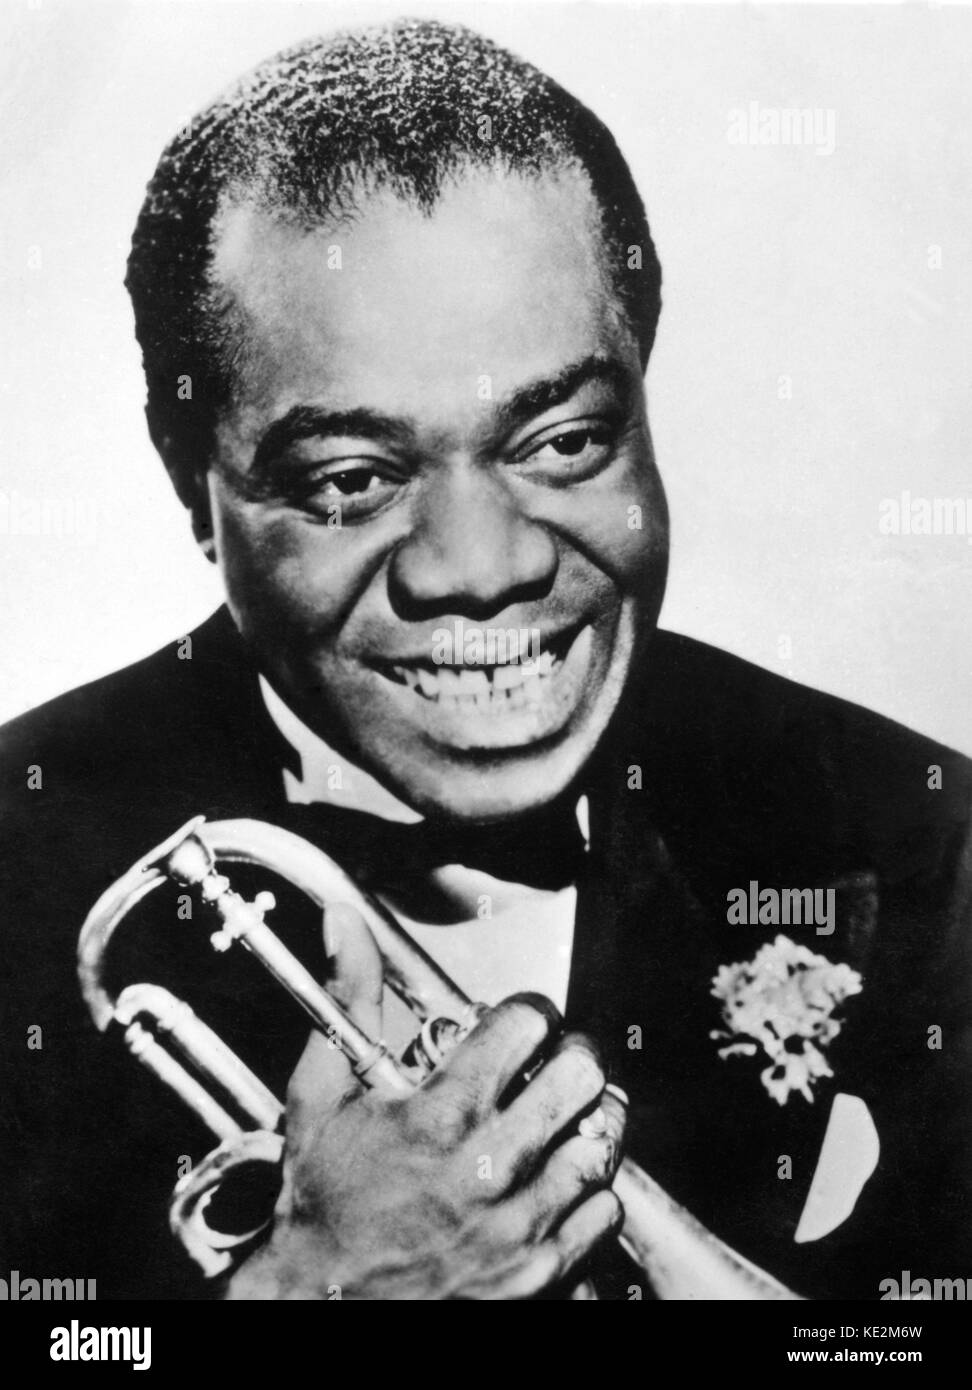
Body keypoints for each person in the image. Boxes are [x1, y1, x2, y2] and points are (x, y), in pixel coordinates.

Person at [1, 19, 969, 1301]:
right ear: (195, 485)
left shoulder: (918, 844)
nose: (482, 566)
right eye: (351, 478)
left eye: (564, 441)